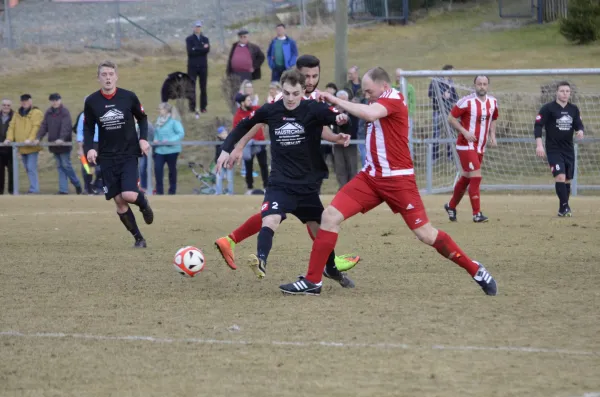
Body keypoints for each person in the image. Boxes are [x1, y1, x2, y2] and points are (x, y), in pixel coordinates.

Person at [279, 67, 498, 296]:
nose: (366, 95)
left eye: (369, 91)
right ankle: (313, 281)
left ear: (384, 86)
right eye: (364, 92)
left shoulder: (393, 98)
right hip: (371, 177)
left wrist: (335, 98)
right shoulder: (377, 100)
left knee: (426, 234)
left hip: (398, 180)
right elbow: (363, 111)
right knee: (329, 216)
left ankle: (475, 270)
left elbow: (370, 114)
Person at [214, 55, 361, 274]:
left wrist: (340, 129)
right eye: (307, 76)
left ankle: (329, 264)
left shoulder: (314, 104)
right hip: (283, 177)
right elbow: (254, 123)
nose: (311, 80)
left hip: (308, 176)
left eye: (314, 76)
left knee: (315, 223)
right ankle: (254, 254)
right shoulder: (276, 106)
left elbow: (326, 122)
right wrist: (235, 147)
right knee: (272, 215)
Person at [83, 60, 154, 248]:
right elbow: (88, 128)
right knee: (120, 202)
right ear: (98, 78)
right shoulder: (91, 101)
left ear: (116, 76)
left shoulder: (128, 97)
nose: (107, 78)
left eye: (110, 74)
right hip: (106, 158)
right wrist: (89, 148)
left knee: (129, 195)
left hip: (128, 154)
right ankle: (139, 238)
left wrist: (143, 139)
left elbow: (143, 118)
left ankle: (144, 204)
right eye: (104, 74)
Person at [444, 76, 498, 223]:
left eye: (485, 84)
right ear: (474, 85)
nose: (482, 86)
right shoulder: (466, 101)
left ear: (488, 86)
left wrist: (492, 135)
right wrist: (464, 132)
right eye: (479, 84)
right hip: (465, 145)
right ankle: (477, 214)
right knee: (476, 176)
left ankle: (451, 206)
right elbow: (451, 118)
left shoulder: (493, 102)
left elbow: (493, 118)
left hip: (481, 146)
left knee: (467, 178)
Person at [534, 81, 584, 217]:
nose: (565, 94)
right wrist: (539, 145)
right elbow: (538, 126)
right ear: (556, 92)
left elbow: (579, 124)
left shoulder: (574, 109)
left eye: (567, 91)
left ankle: (563, 209)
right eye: (562, 91)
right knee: (560, 176)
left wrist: (580, 131)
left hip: (568, 149)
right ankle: (565, 207)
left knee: (567, 179)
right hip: (553, 149)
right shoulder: (548, 108)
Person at [233, 93, 268, 193]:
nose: (250, 102)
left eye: (250, 100)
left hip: (260, 142)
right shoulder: (238, 116)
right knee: (248, 166)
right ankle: (249, 188)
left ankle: (266, 187)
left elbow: (266, 111)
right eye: (248, 100)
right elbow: (236, 131)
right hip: (248, 145)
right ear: (242, 103)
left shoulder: (255, 109)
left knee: (264, 165)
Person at [153, 102, 185, 195]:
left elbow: (180, 133)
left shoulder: (174, 121)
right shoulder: (159, 120)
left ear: (166, 110)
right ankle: (159, 192)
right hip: (160, 150)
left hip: (172, 150)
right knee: (158, 169)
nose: (159, 111)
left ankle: (172, 191)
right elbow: (157, 132)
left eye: (161, 109)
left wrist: (169, 140)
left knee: (172, 170)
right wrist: (155, 139)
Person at [186, 20, 210, 118]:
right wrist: (201, 48)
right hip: (192, 66)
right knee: (191, 87)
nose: (198, 28)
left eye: (199, 27)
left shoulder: (205, 39)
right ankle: (192, 107)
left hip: (203, 66)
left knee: (203, 87)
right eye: (196, 27)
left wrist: (196, 48)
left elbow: (207, 50)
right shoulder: (189, 39)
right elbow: (190, 52)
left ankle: (203, 107)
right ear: (193, 28)